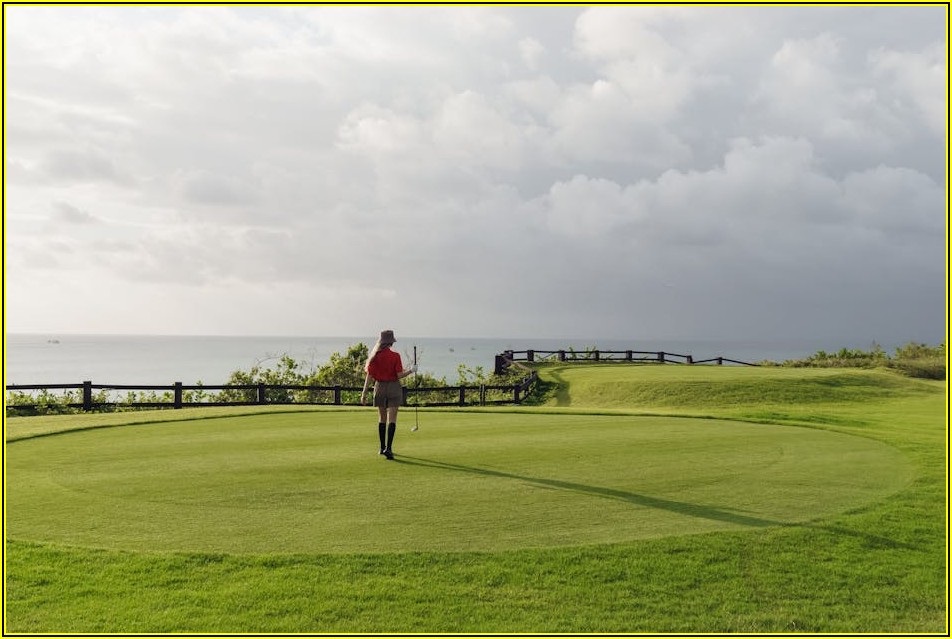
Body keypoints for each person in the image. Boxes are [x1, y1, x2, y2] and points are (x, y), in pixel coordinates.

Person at [361, 329, 416, 460]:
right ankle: (389, 449)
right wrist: (411, 371)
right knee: (392, 419)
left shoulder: (374, 356)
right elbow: (399, 375)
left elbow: (369, 376)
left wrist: (364, 393)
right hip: (393, 387)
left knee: (382, 418)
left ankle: (382, 448)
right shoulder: (395, 356)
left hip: (379, 387)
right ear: (391, 342)